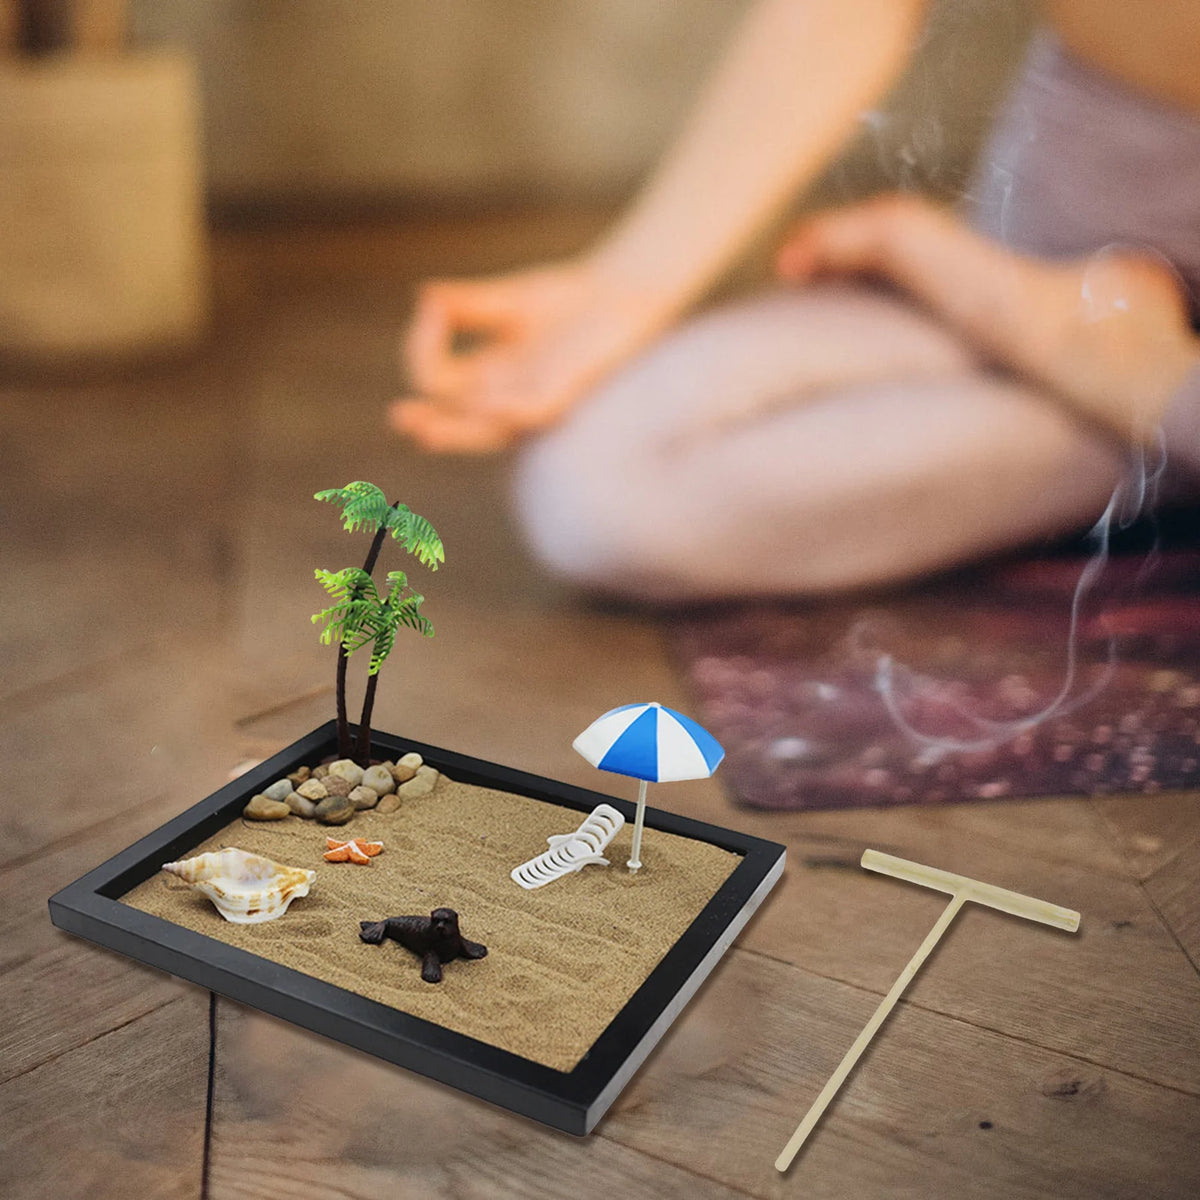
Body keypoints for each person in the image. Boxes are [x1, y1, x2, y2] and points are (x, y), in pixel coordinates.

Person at [391, 0, 1200, 600]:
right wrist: (629, 284)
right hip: (1042, 248)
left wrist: (1151, 384)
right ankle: (1105, 377)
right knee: (597, 488)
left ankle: (1133, 392)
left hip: (1139, 343)